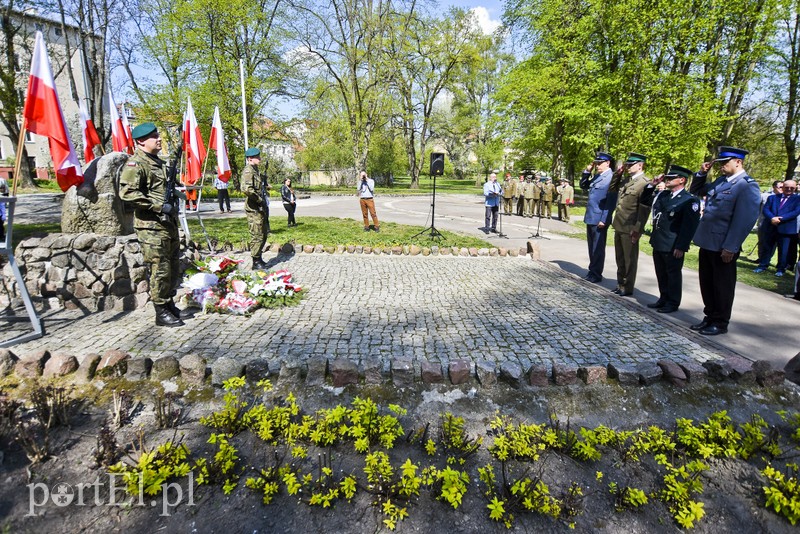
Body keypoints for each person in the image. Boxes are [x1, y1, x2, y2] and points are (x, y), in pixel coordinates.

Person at [118, 122, 188, 327]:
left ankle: (168, 304)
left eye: (158, 135)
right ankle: (160, 311)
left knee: (173, 266)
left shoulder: (158, 163)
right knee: (160, 268)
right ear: (141, 142)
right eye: (154, 136)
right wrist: (158, 206)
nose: (159, 139)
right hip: (151, 226)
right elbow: (127, 193)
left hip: (168, 223)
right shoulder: (136, 164)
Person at [689, 147, 761, 335]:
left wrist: (731, 246)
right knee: (707, 283)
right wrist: (702, 173)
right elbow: (696, 190)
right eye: (720, 163)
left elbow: (744, 220)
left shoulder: (747, 185)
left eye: (725, 162)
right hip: (708, 241)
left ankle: (720, 322)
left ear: (738, 162)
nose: (721, 166)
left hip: (723, 245)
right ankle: (710, 316)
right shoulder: (721, 181)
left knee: (722, 286)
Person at [646, 165, 701, 313]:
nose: (667, 180)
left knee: (673, 274)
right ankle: (663, 297)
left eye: (671, 178)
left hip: (673, 244)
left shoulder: (689, 200)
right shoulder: (664, 195)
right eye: (667, 177)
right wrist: (652, 185)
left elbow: (689, 226)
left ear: (682, 180)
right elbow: (645, 200)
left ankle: (672, 302)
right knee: (661, 272)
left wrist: (682, 246)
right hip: (659, 240)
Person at [610, 152, 650, 296]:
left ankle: (627, 287)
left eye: (631, 164)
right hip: (619, 224)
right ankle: (620, 283)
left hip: (630, 227)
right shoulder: (626, 180)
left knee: (629, 259)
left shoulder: (645, 183)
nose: (627, 166)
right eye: (627, 164)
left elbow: (644, 209)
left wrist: (637, 229)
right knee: (620, 257)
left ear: (640, 165)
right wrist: (618, 174)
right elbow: (612, 188)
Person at [580, 151, 615, 283]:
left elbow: (611, 202)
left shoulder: (610, 178)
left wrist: (604, 219)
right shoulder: (597, 176)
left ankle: (596, 274)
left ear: (608, 163)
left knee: (598, 248)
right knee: (591, 247)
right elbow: (584, 185)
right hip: (591, 216)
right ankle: (592, 271)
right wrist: (586, 172)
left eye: (600, 163)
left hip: (599, 218)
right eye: (596, 163)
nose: (597, 165)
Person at [755, 179, 800, 276]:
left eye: (791, 188)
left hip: (786, 228)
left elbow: (796, 212)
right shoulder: (772, 198)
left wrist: (780, 219)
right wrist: (772, 218)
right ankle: (762, 265)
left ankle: (780, 269)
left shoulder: (798, 199)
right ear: (782, 187)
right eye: (786, 187)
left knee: (783, 250)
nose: (789, 189)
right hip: (771, 226)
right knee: (767, 247)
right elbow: (766, 209)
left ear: (795, 188)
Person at [241, 147, 270, 269]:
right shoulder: (248, 171)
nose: (259, 159)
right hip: (254, 208)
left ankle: (259, 257)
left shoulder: (255, 170)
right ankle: (255, 261)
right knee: (256, 234)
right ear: (250, 158)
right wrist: (259, 200)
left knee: (263, 233)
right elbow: (247, 189)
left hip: (260, 208)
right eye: (257, 157)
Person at [754, 180, 782, 269]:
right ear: (774, 187)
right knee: (762, 241)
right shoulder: (764, 196)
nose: (782, 189)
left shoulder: (783, 198)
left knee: (773, 244)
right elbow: (757, 208)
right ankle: (761, 257)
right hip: (763, 222)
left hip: (777, 224)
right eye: (779, 187)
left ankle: (767, 259)